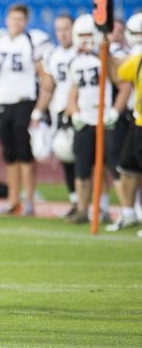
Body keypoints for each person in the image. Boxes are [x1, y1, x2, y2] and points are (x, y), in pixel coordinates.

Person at [0, 4, 50, 216]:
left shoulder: (32, 41)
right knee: (9, 152)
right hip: (3, 100)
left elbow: (42, 73)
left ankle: (29, 200)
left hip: (24, 99)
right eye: (12, 19)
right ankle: (12, 199)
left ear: (25, 22)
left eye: (20, 19)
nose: (16, 23)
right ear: (7, 20)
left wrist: (42, 105)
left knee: (24, 151)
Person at [65, 14, 129, 224]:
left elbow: (123, 86)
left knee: (115, 166)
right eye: (81, 35)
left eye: (87, 34)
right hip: (86, 121)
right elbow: (73, 93)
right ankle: (83, 210)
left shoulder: (108, 58)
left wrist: (115, 111)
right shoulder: (75, 63)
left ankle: (127, 210)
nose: (85, 39)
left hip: (107, 120)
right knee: (82, 168)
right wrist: (74, 113)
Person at [31, 14, 78, 216]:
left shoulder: (83, 53)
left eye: (66, 28)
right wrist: (38, 111)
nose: (62, 34)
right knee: (66, 156)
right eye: (59, 29)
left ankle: (96, 203)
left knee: (88, 160)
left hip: (83, 111)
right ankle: (76, 201)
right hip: (60, 111)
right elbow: (48, 87)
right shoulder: (53, 55)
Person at [110, 43, 142, 234]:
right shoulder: (138, 61)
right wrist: (105, 53)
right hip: (138, 122)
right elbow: (117, 76)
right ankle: (129, 213)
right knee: (126, 167)